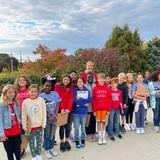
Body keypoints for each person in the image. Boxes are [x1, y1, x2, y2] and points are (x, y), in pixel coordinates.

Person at [22, 84, 46, 160]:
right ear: (28, 92)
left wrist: (44, 123)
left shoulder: (41, 100)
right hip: (30, 127)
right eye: (32, 91)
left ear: (38, 92)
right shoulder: (25, 102)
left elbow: (44, 112)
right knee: (31, 143)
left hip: (39, 126)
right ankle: (34, 156)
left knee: (39, 142)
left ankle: (38, 154)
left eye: (35, 92)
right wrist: (24, 126)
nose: (33, 93)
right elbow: (24, 115)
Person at [39, 80, 61, 159]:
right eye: (46, 85)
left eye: (49, 86)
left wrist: (55, 114)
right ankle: (47, 149)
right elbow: (42, 107)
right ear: (43, 86)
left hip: (54, 118)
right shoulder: (41, 96)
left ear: (51, 87)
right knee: (47, 134)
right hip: (46, 118)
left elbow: (58, 104)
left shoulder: (55, 94)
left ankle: (52, 147)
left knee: (53, 134)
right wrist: (48, 115)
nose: (47, 87)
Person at [0, 84, 21, 160]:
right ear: (5, 93)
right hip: (7, 133)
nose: (12, 94)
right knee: (9, 153)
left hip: (17, 132)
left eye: (13, 92)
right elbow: (0, 120)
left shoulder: (16, 102)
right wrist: (1, 134)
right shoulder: (1, 104)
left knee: (18, 152)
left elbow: (19, 116)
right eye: (9, 92)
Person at [54, 74, 73, 152]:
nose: (66, 81)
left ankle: (66, 140)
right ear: (62, 79)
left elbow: (71, 98)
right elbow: (58, 98)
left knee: (68, 126)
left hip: (69, 110)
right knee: (62, 127)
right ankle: (61, 142)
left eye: (68, 80)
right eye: (65, 79)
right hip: (61, 110)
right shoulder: (57, 86)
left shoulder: (71, 87)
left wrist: (68, 109)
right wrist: (62, 109)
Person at [92, 73, 111, 145]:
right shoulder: (95, 88)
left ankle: (103, 137)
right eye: (99, 78)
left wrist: (108, 110)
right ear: (97, 80)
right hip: (97, 109)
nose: (101, 80)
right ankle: (100, 137)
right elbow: (93, 100)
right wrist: (94, 110)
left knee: (103, 123)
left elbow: (109, 100)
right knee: (98, 123)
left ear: (104, 79)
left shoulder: (107, 88)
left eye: (102, 78)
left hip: (105, 109)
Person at [14, 75, 31, 157]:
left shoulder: (30, 90)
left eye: (24, 80)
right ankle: (21, 148)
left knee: (27, 132)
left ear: (27, 81)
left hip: (28, 115)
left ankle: (26, 148)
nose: (22, 81)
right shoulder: (15, 91)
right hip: (18, 115)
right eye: (20, 80)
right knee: (20, 133)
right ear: (17, 82)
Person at [73, 78, 91, 148]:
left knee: (83, 128)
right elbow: (75, 101)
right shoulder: (75, 90)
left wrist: (80, 99)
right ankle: (77, 140)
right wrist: (83, 103)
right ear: (77, 83)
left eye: (81, 81)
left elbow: (89, 99)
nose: (79, 83)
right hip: (76, 112)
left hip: (83, 112)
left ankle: (83, 139)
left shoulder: (87, 90)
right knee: (76, 128)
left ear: (84, 83)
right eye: (78, 82)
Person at [85, 72, 96, 142]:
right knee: (87, 122)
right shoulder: (85, 86)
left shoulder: (95, 86)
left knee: (93, 121)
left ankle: (93, 133)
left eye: (91, 77)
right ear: (86, 78)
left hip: (94, 108)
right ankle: (88, 134)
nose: (90, 78)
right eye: (88, 77)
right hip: (87, 107)